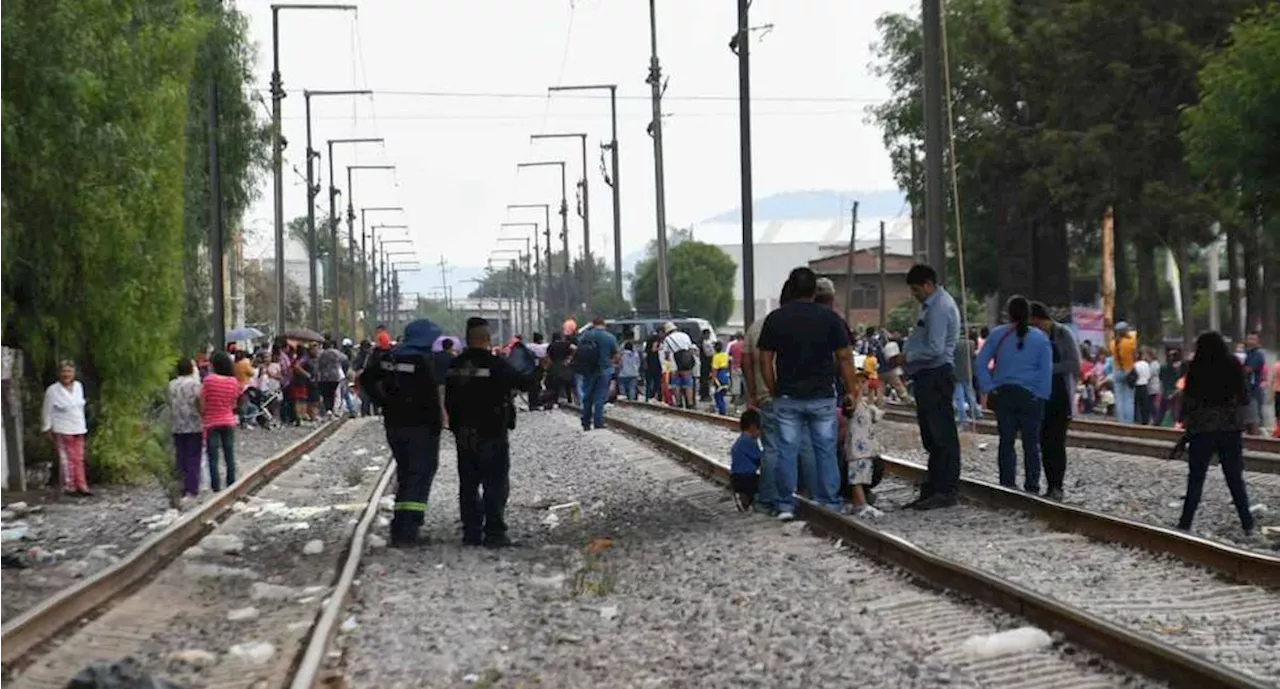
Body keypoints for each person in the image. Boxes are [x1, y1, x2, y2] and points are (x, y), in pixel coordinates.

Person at [756, 267, 859, 519]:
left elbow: (764, 360)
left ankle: (785, 505)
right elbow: (845, 358)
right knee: (825, 449)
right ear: (814, 291)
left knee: (786, 451)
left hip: (788, 396)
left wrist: (773, 389)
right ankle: (829, 503)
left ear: (790, 288)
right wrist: (852, 390)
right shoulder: (830, 319)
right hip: (822, 396)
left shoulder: (776, 319)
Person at [445, 317, 532, 547]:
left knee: (468, 483)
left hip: (463, 432)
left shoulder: (455, 365)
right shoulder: (496, 364)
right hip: (492, 430)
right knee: (495, 482)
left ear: (467, 338)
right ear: (487, 338)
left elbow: (448, 397)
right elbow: (524, 383)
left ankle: (471, 532)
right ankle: (494, 532)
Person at [360, 319, 445, 547]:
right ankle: (409, 530)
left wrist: (383, 402)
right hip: (421, 426)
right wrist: (439, 424)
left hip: (394, 423)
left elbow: (366, 378)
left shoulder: (389, 357)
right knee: (420, 474)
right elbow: (432, 395)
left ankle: (400, 527)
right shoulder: (424, 360)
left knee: (406, 473)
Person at [1177, 331, 1256, 536]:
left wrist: (1184, 422)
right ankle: (1247, 522)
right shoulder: (1233, 364)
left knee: (1196, 478)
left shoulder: (1196, 366)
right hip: (1229, 428)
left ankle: (1185, 523)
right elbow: (1244, 397)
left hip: (1202, 430)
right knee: (1234, 478)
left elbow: (1188, 400)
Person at [899, 264, 963, 510]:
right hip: (929, 376)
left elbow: (935, 349)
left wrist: (907, 357)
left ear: (928, 284)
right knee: (933, 436)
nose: (915, 295)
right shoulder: (934, 305)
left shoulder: (938, 307)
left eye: (916, 289)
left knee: (941, 435)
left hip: (936, 374)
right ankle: (934, 488)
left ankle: (945, 490)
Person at [975, 296, 1053, 493]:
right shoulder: (1040, 338)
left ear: (1008, 314)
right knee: (1032, 444)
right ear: (1029, 314)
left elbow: (980, 363)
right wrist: (1041, 394)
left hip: (1004, 395)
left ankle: (1007, 483)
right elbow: (1046, 371)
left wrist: (989, 387)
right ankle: (1032, 485)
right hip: (1031, 396)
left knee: (1006, 442)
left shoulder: (997, 335)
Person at [742, 280, 795, 516]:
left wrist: (752, 393)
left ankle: (767, 501)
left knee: (772, 448)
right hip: (795, 393)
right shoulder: (794, 324)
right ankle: (805, 497)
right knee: (801, 446)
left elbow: (745, 362)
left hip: (767, 395)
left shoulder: (756, 327)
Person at [1030, 301, 1080, 501]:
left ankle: (1057, 484)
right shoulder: (1033, 337)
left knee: (1057, 442)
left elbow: (1073, 363)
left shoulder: (1062, 334)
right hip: (1041, 396)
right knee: (1043, 441)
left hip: (1060, 395)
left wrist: (1047, 368)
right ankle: (1049, 484)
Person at [42, 360, 92, 497]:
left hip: (78, 427)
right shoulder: (53, 390)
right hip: (62, 429)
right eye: (64, 371)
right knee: (66, 459)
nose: (66, 374)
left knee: (78, 458)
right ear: (59, 373)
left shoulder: (78, 386)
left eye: (69, 371)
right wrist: (47, 428)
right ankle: (70, 486)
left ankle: (82, 485)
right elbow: (47, 410)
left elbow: (79, 407)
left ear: (74, 373)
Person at [845, 365, 884, 518]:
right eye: (858, 382)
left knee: (864, 474)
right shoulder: (851, 400)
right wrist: (856, 394)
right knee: (857, 476)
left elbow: (877, 415)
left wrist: (874, 395)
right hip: (856, 446)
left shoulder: (866, 405)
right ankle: (860, 503)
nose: (862, 385)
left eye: (864, 382)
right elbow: (849, 411)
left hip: (866, 446)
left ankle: (860, 502)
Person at [202, 351, 241, 491]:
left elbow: (202, 402)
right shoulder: (233, 382)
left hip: (211, 422)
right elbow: (234, 404)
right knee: (229, 454)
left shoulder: (208, 380)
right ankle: (231, 483)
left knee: (213, 456)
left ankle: (216, 487)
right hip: (228, 421)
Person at [574, 316, 620, 430]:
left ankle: (586, 422)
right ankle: (598, 422)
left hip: (588, 370)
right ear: (604, 324)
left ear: (593, 324)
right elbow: (617, 356)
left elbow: (578, 351)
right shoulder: (610, 337)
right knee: (600, 398)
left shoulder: (585, 336)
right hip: (605, 370)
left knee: (587, 396)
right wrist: (610, 362)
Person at [168, 358, 204, 500]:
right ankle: (192, 488)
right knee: (194, 456)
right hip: (194, 424)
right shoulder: (195, 385)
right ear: (191, 369)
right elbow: (199, 403)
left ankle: (181, 486)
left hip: (177, 425)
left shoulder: (171, 385)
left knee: (180, 456)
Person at [730, 409, 763, 512]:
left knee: (746, 489)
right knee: (758, 487)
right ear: (753, 427)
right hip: (747, 476)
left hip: (735, 476)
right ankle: (753, 501)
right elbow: (758, 458)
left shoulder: (739, 441)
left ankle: (743, 497)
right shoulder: (749, 442)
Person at [661, 322, 698, 409]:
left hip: (674, 363)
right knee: (688, 383)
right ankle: (690, 403)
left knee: (676, 383)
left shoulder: (667, 339)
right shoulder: (685, 335)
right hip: (686, 362)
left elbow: (666, 354)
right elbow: (690, 349)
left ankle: (678, 402)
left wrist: (667, 366)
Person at [1112, 322, 1139, 423]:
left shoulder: (1113, 343)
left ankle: (1121, 421)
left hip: (1117, 370)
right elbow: (1135, 356)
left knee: (1119, 398)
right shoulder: (1130, 342)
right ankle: (1128, 422)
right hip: (1129, 371)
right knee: (1129, 399)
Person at [953, 333, 981, 428]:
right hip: (967, 373)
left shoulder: (952, 344)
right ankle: (977, 414)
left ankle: (963, 420)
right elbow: (973, 358)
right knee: (970, 394)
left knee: (959, 398)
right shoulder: (971, 344)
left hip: (956, 374)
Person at [317, 340, 348, 418]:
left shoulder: (320, 354)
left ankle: (328, 410)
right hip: (334, 376)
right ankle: (333, 409)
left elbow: (317, 364)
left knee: (325, 394)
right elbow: (345, 358)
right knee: (333, 393)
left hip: (323, 377)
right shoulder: (336, 353)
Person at [1244, 332, 1267, 432]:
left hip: (1254, 391)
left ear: (1258, 341)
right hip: (1244, 390)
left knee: (1253, 418)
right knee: (1245, 419)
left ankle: (1255, 436)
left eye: (1253, 339)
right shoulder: (1245, 353)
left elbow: (1249, 369)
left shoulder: (1258, 354)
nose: (1251, 342)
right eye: (1249, 339)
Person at [1132, 347, 1153, 425]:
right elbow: (1149, 376)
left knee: (1135, 404)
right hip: (1145, 385)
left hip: (1137, 385)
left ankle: (1136, 419)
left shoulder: (1135, 365)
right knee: (1144, 405)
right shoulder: (1146, 364)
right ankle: (1145, 420)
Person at [711, 340, 731, 415]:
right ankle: (723, 410)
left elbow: (714, 369)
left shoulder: (715, 357)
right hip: (725, 374)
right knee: (722, 394)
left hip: (719, 375)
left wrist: (713, 380)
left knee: (717, 395)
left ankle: (722, 411)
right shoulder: (725, 355)